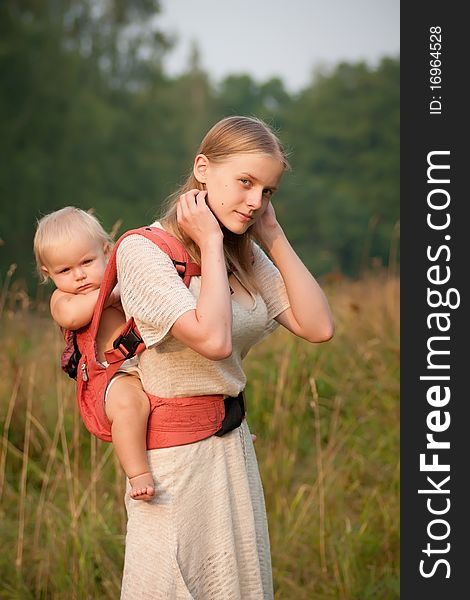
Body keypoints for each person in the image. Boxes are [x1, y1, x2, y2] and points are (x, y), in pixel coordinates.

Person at [115, 115, 334, 599]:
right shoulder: (143, 251)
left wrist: (272, 236)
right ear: (202, 169)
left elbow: (319, 327)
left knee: (238, 586)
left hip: (232, 448)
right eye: (245, 182)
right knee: (172, 587)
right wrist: (212, 244)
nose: (256, 201)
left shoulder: (247, 255)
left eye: (269, 191)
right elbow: (214, 341)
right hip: (171, 464)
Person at [33, 207, 156, 501]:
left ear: (107, 252)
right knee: (129, 407)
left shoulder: (121, 280)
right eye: (64, 270)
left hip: (150, 364)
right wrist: (110, 294)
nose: (78, 276)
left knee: (193, 379)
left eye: (87, 262)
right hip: (113, 376)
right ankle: (138, 473)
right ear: (48, 274)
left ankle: (223, 431)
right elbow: (74, 317)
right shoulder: (63, 299)